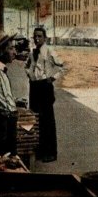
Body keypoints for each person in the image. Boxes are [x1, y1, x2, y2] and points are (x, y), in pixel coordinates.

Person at [24, 26, 65, 163]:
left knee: (48, 120)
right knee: (36, 118)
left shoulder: (49, 51)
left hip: (45, 87)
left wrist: (52, 78)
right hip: (34, 87)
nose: (37, 39)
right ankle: (40, 150)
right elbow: (27, 66)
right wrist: (30, 75)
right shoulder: (32, 52)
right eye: (35, 36)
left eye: (39, 36)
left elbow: (62, 67)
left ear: (45, 38)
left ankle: (51, 152)